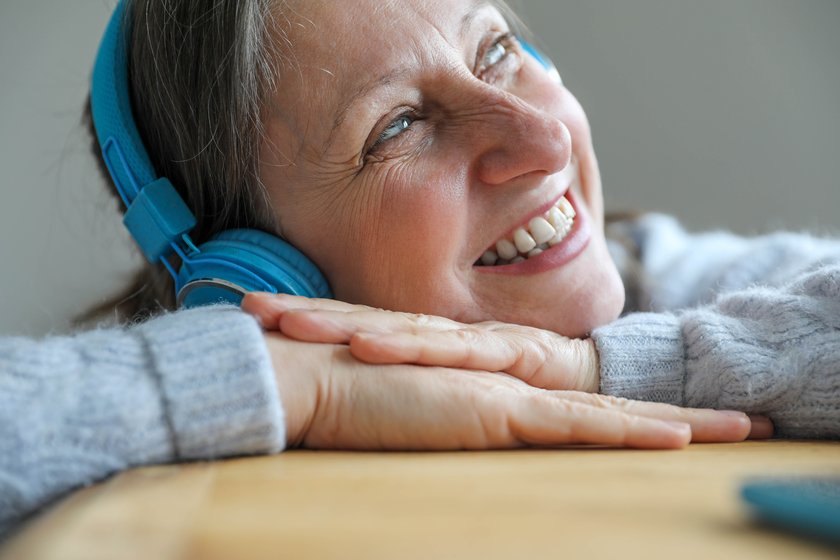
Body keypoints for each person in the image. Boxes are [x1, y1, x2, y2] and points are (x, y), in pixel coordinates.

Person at [1, 0, 836, 540]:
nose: (544, 141)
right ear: (265, 277)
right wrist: (290, 383)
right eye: (398, 126)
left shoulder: (676, 281)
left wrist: (613, 366)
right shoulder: (226, 417)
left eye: (498, 49)